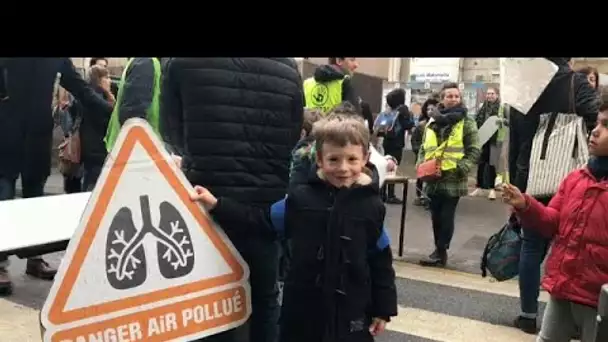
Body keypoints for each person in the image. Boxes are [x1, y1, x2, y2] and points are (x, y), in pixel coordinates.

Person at [192, 114, 398, 342]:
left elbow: (380, 260)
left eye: (352, 159)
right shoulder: (300, 199)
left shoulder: (372, 206)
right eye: (334, 159)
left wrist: (383, 308)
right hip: (302, 313)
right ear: (319, 159)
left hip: (352, 314)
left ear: (365, 158)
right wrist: (218, 205)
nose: (343, 168)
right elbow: (261, 221)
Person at [160, 57, 303, 342]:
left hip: (206, 200)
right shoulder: (287, 68)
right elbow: (292, 132)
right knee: (264, 298)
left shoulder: (182, 63)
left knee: (208, 301)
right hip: (265, 203)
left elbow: (171, 131)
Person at [0, 58, 113, 295]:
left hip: (37, 134)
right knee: (3, 195)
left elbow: (79, 87)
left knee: (35, 198)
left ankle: (34, 257)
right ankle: (0, 263)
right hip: (6, 130)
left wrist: (110, 112)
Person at [502, 104, 608, 341]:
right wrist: (525, 205)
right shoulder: (575, 179)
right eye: (598, 123)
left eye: (606, 125)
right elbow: (551, 223)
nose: (595, 131)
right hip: (564, 291)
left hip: (600, 301)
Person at [510, 57, 600, 334]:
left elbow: (516, 138)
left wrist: (517, 181)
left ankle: (527, 313)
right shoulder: (575, 82)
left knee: (531, 245)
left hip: (531, 174)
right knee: (571, 244)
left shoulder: (524, 86)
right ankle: (568, 315)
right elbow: (596, 117)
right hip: (571, 175)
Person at [417, 82, 481, 267]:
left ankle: (441, 251)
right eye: (449, 96)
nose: (453, 99)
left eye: (456, 96)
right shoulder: (432, 121)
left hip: (453, 177)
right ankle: (438, 249)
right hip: (432, 176)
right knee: (435, 215)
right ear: (442, 99)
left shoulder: (467, 122)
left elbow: (474, 149)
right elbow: (424, 146)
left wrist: (463, 167)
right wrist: (420, 164)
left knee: (446, 215)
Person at [104, 57, 162, 152]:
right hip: (138, 151)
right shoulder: (145, 63)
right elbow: (133, 115)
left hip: (135, 149)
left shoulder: (146, 63)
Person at [374, 88, 414, 204]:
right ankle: (391, 195)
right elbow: (408, 125)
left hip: (385, 141)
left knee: (383, 166)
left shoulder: (388, 111)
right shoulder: (402, 110)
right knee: (392, 168)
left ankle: (382, 194)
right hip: (396, 143)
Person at [470, 87, 507, 200]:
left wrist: (502, 121)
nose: (489, 96)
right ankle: (479, 187)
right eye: (488, 93)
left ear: (497, 95)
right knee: (481, 163)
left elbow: (509, 121)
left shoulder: (502, 108)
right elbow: (477, 120)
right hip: (483, 138)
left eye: (492, 94)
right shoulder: (482, 107)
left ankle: (492, 189)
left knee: (492, 165)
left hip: (495, 139)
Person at [411, 98, 438, 207]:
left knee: (433, 178)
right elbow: (415, 141)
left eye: (433, 109)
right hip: (422, 156)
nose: (430, 111)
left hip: (436, 157)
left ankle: (430, 198)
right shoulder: (421, 125)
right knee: (421, 176)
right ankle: (420, 196)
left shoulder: (441, 124)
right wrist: (419, 152)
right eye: (428, 109)